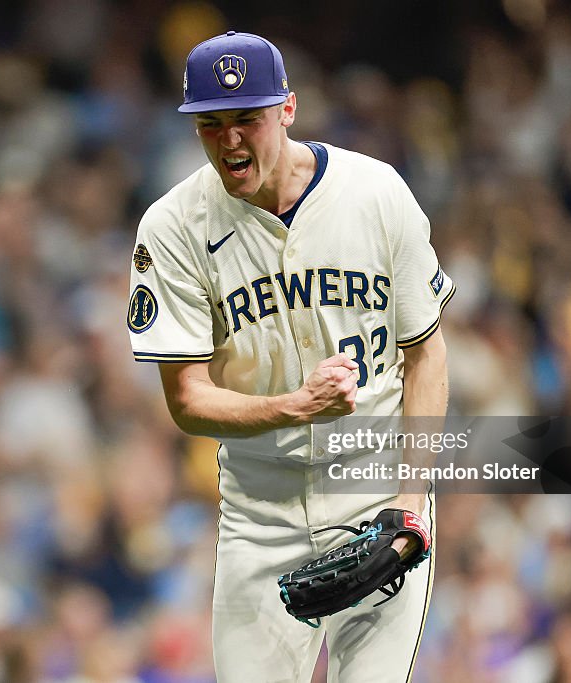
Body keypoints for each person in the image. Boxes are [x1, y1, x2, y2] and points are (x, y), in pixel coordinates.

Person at [127, 31, 454, 683]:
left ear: (288, 109)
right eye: (210, 124)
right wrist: (296, 406)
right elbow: (187, 398)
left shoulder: (376, 194)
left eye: (247, 117)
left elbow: (426, 354)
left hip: (375, 491)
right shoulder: (172, 227)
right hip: (259, 513)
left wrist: (411, 500)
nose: (230, 141)